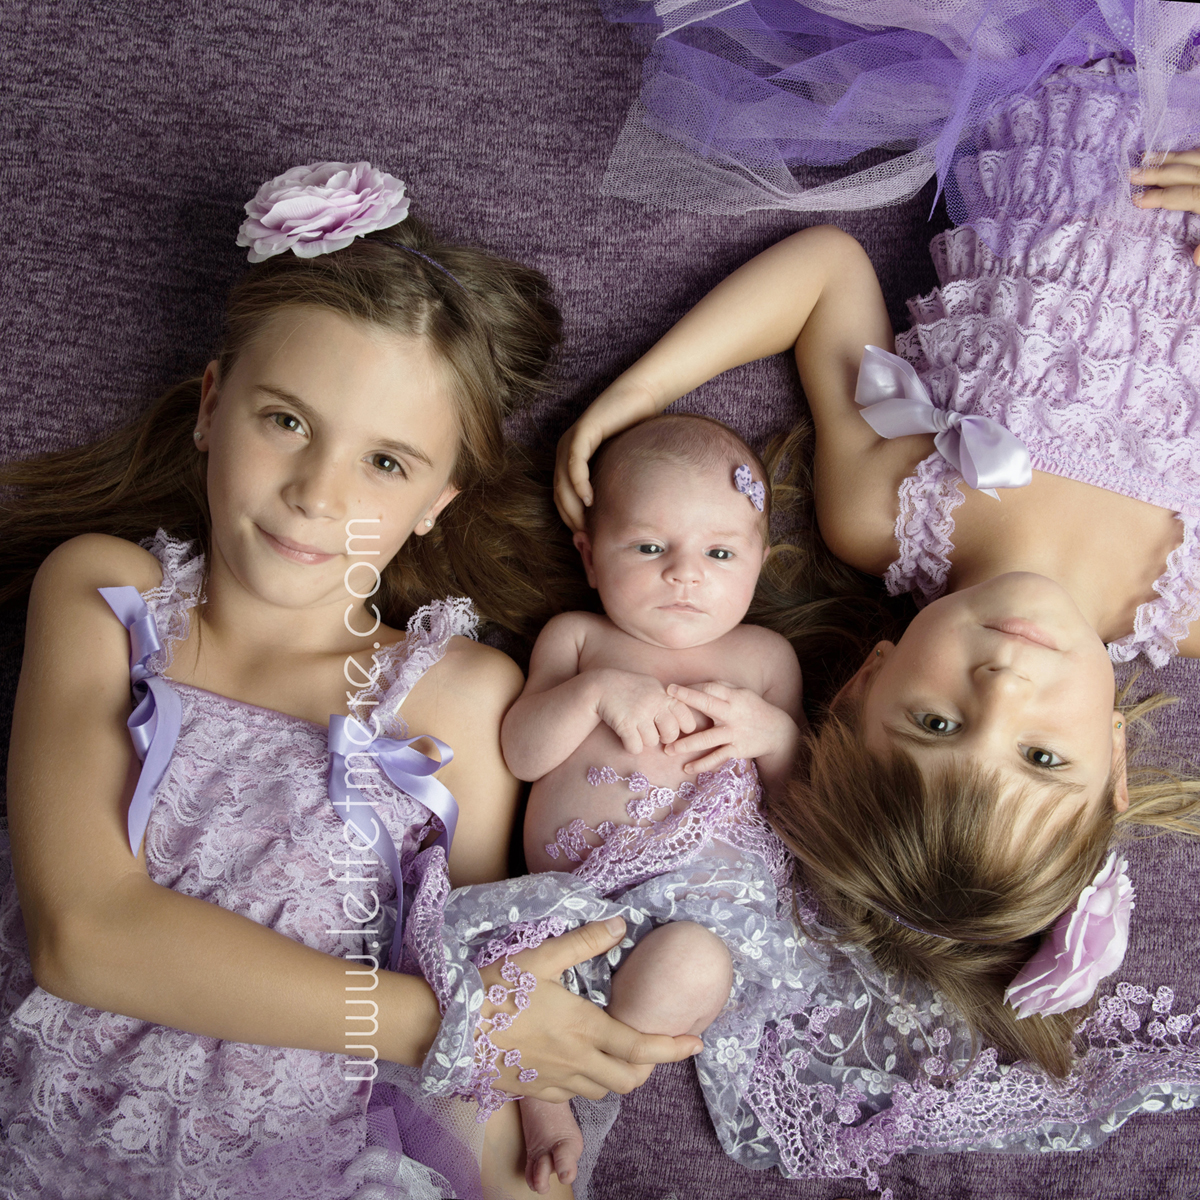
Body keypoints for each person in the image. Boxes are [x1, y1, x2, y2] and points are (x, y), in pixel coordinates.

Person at [543, 7, 1200, 1183]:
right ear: (1112, 756)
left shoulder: (887, 511)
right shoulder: (1188, 600)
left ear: (865, 682)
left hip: (1046, 40)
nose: (1003, 686)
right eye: (1041, 757)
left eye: (938, 722)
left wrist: (636, 398)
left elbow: (826, 275)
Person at [0, 162, 702, 1200]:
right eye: (285, 421)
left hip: (321, 1161)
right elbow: (84, 936)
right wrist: (452, 1024)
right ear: (211, 405)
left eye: (385, 464)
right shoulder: (106, 598)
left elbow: (478, 979)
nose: (315, 494)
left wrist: (510, 1095)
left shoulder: (459, 696)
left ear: (438, 500)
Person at [500, 414, 804, 1192]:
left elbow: (800, 803)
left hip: (700, 912)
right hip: (570, 905)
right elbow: (521, 753)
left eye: (719, 553)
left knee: (690, 966)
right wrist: (594, 693)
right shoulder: (577, 641)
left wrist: (771, 732)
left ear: (760, 561)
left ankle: (582, 1068)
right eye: (647, 548)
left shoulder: (763, 659)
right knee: (505, 970)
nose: (684, 574)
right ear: (589, 555)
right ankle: (545, 1075)